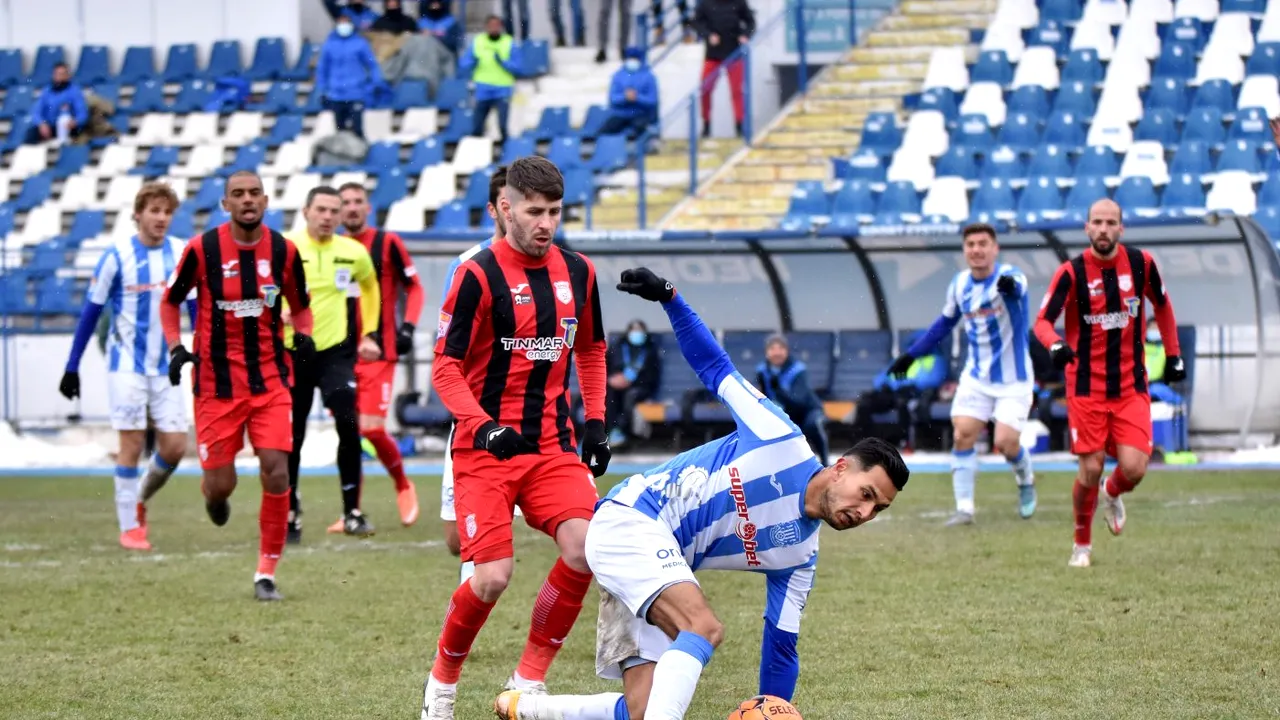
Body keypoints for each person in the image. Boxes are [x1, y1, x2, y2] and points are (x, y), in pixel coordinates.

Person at [493, 267, 910, 720]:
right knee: (703, 626)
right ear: (842, 466)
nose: (864, 511)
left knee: (644, 709)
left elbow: (781, 647)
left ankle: (528, 710)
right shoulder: (780, 438)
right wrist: (670, 298)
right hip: (632, 519)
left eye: (877, 508)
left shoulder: (800, 555)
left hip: (661, 563)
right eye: (866, 493)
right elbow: (716, 368)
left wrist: (773, 708)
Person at [420, 156, 612, 718]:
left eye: (554, 211)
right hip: (485, 450)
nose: (545, 223)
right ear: (505, 208)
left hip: (552, 446)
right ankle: (443, 682)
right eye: (534, 211)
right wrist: (484, 426)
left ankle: (528, 679)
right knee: (490, 578)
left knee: (586, 550)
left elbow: (592, 350)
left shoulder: (579, 272)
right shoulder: (477, 274)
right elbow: (445, 368)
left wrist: (596, 422)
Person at [161, 170, 313, 602]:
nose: (247, 200)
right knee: (221, 485)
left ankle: (266, 572)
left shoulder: (284, 250)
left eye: (254, 194)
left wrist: (303, 336)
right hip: (216, 386)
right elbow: (170, 302)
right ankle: (213, 497)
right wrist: (175, 347)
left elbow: (301, 308)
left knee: (277, 469)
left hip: (270, 381)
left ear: (266, 201)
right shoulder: (202, 249)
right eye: (237, 195)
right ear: (225, 204)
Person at [1034, 198, 1186, 568]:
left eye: (1110, 222)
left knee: (1134, 467)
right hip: (1085, 387)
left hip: (1131, 385)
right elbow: (1042, 322)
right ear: (1087, 228)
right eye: (1097, 222)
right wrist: (1054, 344)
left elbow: (1163, 306)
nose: (1103, 229)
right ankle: (1081, 545)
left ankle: (1113, 492)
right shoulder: (1070, 273)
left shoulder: (1142, 264)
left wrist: (1173, 353)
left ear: (1121, 228)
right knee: (1090, 467)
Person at [58, 182, 194, 551]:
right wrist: (72, 366)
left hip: (167, 365)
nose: (161, 218)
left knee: (176, 446)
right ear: (138, 214)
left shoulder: (182, 253)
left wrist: (202, 351)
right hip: (126, 366)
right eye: (154, 211)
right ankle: (130, 527)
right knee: (131, 442)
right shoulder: (116, 256)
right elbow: (91, 313)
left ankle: (139, 498)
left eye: (167, 212)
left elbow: (196, 308)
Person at [888, 223, 1037, 525]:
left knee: (1007, 443)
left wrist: (1009, 286)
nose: (977, 249)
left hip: (1014, 379)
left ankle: (1025, 481)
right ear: (964, 250)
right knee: (963, 434)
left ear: (995, 249)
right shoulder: (959, 284)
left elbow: (1018, 287)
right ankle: (965, 509)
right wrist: (911, 355)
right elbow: (944, 324)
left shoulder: (1011, 276)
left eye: (983, 243)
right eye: (971, 244)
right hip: (976, 377)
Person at [283, 186, 382, 542]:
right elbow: (266, 286)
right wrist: (276, 311)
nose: (327, 217)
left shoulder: (352, 252)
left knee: (347, 420)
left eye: (333, 211)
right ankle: (290, 513)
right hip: (292, 350)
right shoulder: (286, 247)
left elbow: (370, 288)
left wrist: (369, 332)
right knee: (291, 435)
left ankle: (352, 511)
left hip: (336, 353)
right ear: (305, 210)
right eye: (321, 209)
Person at [438, 166, 511, 586]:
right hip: (475, 416)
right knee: (456, 539)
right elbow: (448, 344)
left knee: (579, 536)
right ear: (494, 209)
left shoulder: (557, 265)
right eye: (507, 204)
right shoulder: (467, 266)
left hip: (536, 421)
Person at [336, 181, 425, 527]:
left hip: (378, 353)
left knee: (371, 429)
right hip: (338, 356)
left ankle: (403, 485)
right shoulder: (333, 248)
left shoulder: (387, 243)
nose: (352, 208)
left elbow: (414, 287)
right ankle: (351, 512)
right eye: (346, 203)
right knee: (348, 432)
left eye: (358, 201)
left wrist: (407, 327)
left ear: (368, 207)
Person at [852, 336, 946, 447]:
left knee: (903, 404)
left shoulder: (935, 360)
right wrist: (885, 384)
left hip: (913, 394)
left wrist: (905, 383)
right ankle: (866, 441)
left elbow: (934, 380)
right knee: (865, 403)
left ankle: (902, 441)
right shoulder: (904, 358)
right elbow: (883, 376)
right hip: (892, 392)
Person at [756, 334, 829, 466]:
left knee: (812, 425)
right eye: (772, 348)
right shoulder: (762, 371)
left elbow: (798, 400)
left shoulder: (798, 370)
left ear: (787, 351)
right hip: (784, 412)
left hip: (807, 410)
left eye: (780, 348)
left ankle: (825, 462)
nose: (776, 352)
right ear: (766, 352)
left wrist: (778, 390)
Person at [693, 0, 755, 138]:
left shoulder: (739, 2)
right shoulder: (705, 4)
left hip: (734, 52)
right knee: (705, 89)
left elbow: (751, 22)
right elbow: (696, 22)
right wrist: (708, 35)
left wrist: (745, 35)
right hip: (713, 53)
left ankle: (739, 127)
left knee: (737, 91)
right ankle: (706, 125)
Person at [316, 13, 384, 138]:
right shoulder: (329, 44)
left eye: (346, 23)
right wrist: (322, 89)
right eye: (341, 23)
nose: (343, 26)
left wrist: (374, 84)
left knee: (357, 130)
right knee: (340, 132)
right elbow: (322, 68)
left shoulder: (360, 43)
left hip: (356, 93)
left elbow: (372, 65)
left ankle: (361, 154)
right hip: (336, 95)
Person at [460, 15, 521, 144]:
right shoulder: (478, 41)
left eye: (497, 25)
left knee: (503, 125)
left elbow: (518, 67)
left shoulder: (509, 42)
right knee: (477, 126)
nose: (494, 28)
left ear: (501, 27)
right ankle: (477, 154)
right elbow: (464, 63)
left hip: (502, 88)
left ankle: (507, 156)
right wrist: (473, 62)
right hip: (483, 89)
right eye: (491, 25)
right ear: (486, 27)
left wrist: (503, 62)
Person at [606, 319, 660, 446]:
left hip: (641, 387)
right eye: (634, 330)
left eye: (639, 330)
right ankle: (613, 431)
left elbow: (653, 376)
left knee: (630, 396)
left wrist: (632, 381)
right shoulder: (619, 347)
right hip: (618, 386)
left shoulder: (650, 350)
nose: (636, 333)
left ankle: (624, 431)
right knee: (610, 395)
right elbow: (606, 367)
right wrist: (612, 379)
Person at [602, 47, 659, 139]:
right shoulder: (618, 75)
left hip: (641, 114)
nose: (632, 61)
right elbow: (613, 98)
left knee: (637, 130)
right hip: (621, 115)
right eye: (630, 58)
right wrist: (625, 97)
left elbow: (652, 100)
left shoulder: (649, 77)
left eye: (635, 59)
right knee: (604, 132)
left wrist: (637, 97)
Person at [25, 62, 88, 145]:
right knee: (31, 134)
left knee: (76, 132)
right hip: (51, 126)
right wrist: (41, 124)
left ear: (68, 76)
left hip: (69, 127)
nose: (60, 77)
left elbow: (82, 114)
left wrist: (75, 122)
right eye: (57, 74)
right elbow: (36, 112)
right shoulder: (46, 91)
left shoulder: (75, 91)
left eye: (63, 74)